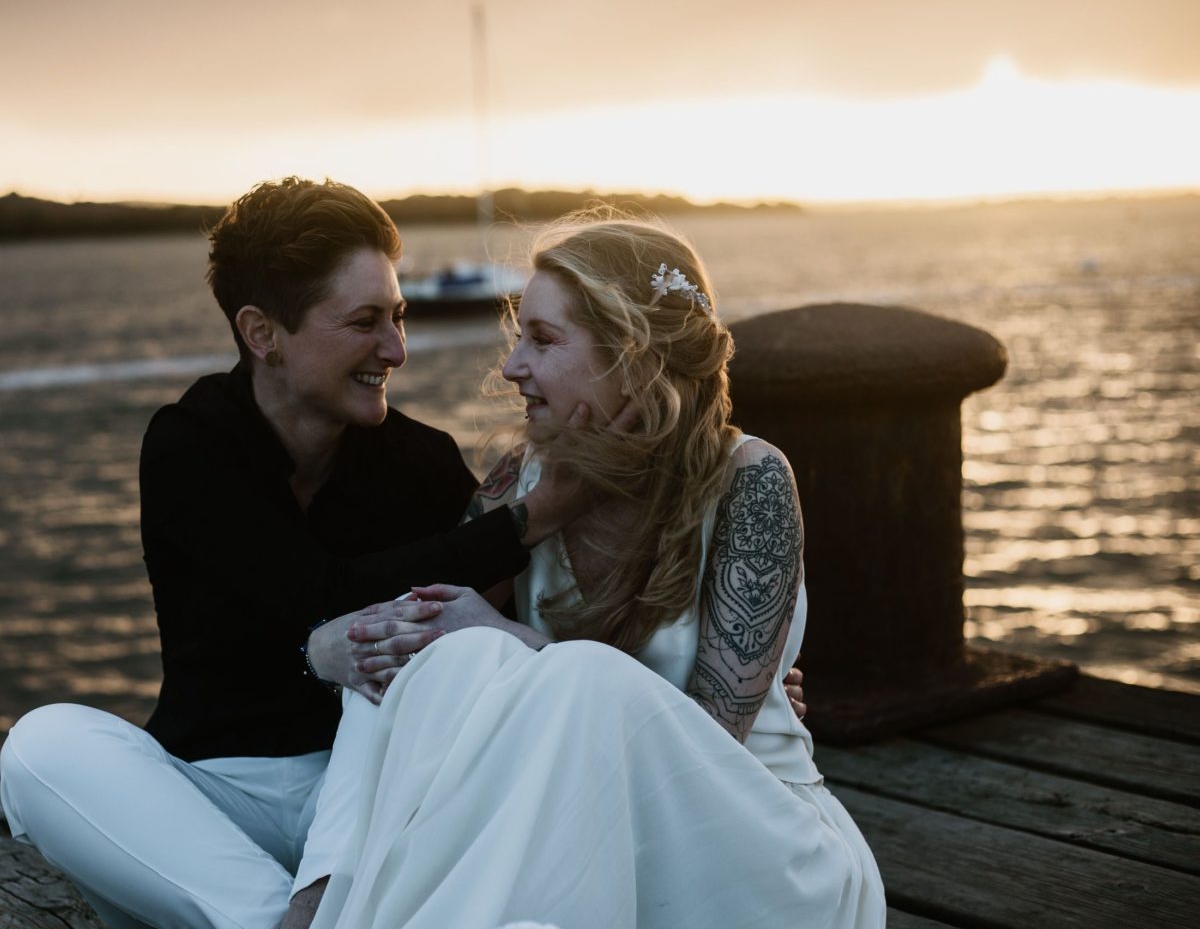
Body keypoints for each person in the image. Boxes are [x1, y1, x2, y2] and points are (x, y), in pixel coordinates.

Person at [0, 179, 807, 929]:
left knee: (402, 651)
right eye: (364, 323)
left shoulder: (422, 464)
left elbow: (471, 653)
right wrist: (535, 515)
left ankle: (316, 908)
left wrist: (759, 685)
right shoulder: (191, 449)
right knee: (42, 749)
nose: (396, 349)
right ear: (262, 334)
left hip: (375, 789)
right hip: (220, 786)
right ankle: (284, 920)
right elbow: (319, 592)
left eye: (399, 315)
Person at [304, 213, 885, 929]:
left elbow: (707, 745)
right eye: (521, 338)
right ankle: (322, 910)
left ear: (630, 355)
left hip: (753, 841)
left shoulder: (749, 481)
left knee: (569, 673)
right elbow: (421, 648)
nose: (514, 367)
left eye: (544, 341)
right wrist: (324, 649)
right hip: (587, 836)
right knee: (426, 667)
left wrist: (525, 645)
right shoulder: (522, 481)